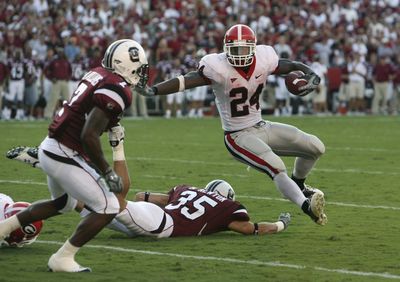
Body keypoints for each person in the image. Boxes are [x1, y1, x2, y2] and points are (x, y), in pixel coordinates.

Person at [136, 24, 327, 225]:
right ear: (226, 49)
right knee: (276, 167)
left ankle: (298, 184)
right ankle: (306, 206)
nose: (239, 54)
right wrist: (154, 91)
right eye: (235, 49)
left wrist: (308, 72)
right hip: (238, 136)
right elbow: (187, 80)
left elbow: (287, 65)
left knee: (315, 147)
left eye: (244, 49)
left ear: (253, 47)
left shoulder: (264, 58)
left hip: (261, 125)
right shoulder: (217, 67)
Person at [0, 39, 149, 273]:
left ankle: (2, 229)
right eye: (139, 68)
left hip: (50, 146)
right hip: (65, 151)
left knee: (62, 203)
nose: (141, 73)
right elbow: (89, 135)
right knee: (109, 206)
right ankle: (63, 257)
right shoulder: (118, 88)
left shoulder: (98, 73)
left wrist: (111, 125)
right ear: (124, 65)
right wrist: (107, 171)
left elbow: (87, 115)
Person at [6, 147, 291, 237]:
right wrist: (279, 224)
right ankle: (70, 167)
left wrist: (136, 200)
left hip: (155, 216)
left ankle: (53, 172)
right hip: (160, 225)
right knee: (110, 203)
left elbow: (147, 196)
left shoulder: (188, 189)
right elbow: (247, 228)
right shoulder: (229, 208)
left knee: (90, 208)